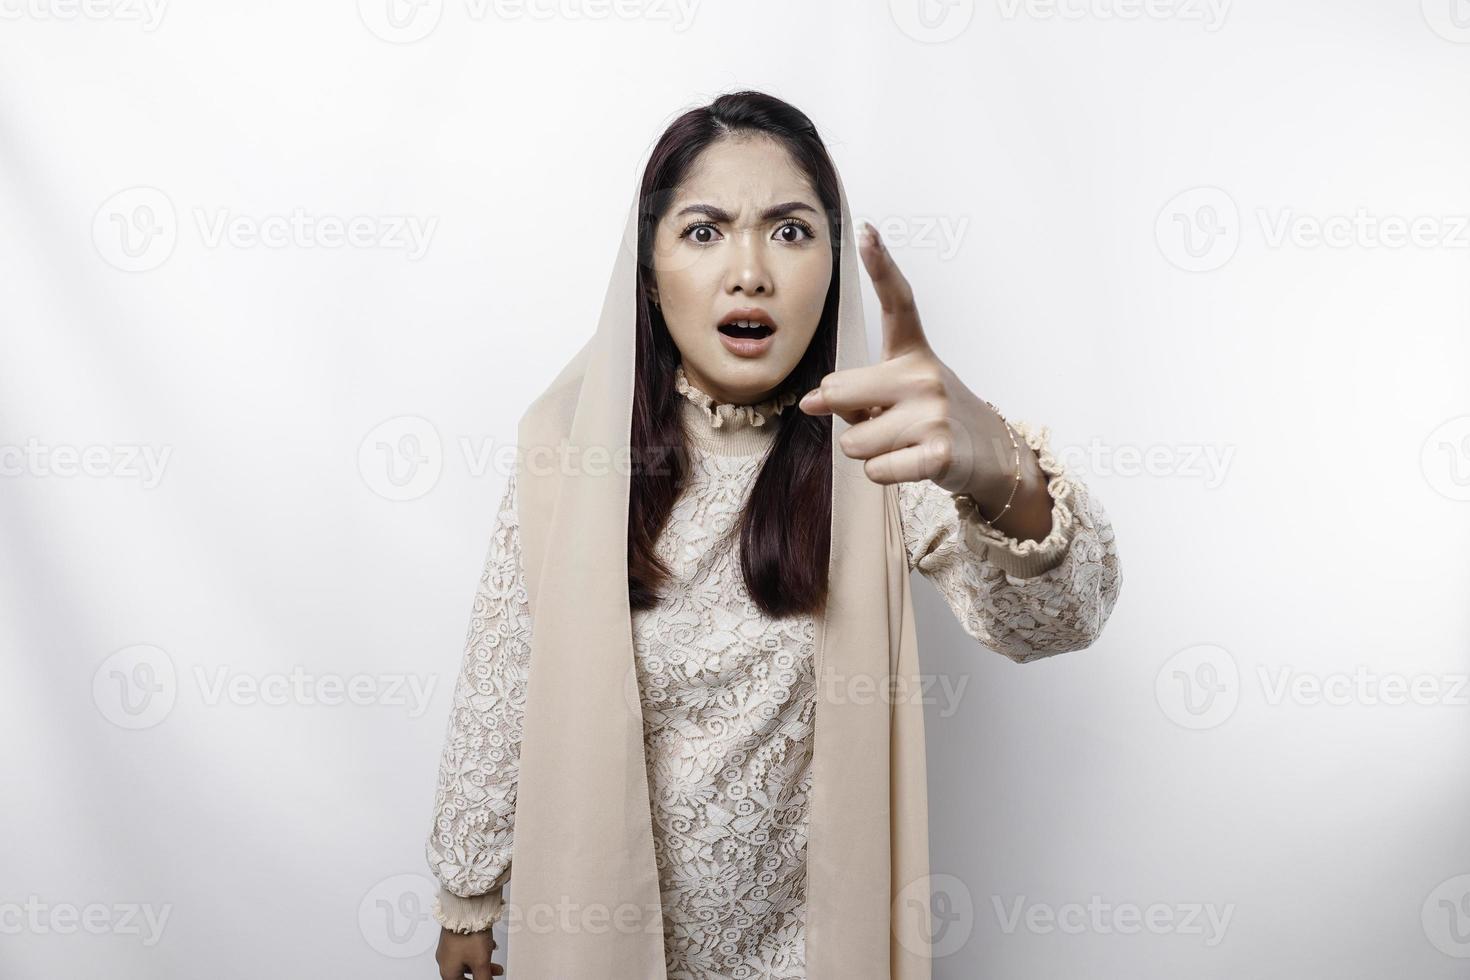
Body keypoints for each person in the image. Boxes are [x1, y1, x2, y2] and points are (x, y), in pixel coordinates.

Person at [426, 90, 1122, 980]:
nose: (749, 271)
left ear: (833, 266)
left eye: (790, 232)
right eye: (705, 231)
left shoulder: (876, 447)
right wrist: (469, 895)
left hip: (805, 954)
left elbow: (1061, 620)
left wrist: (999, 468)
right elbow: (501, 673)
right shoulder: (564, 448)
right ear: (647, 270)